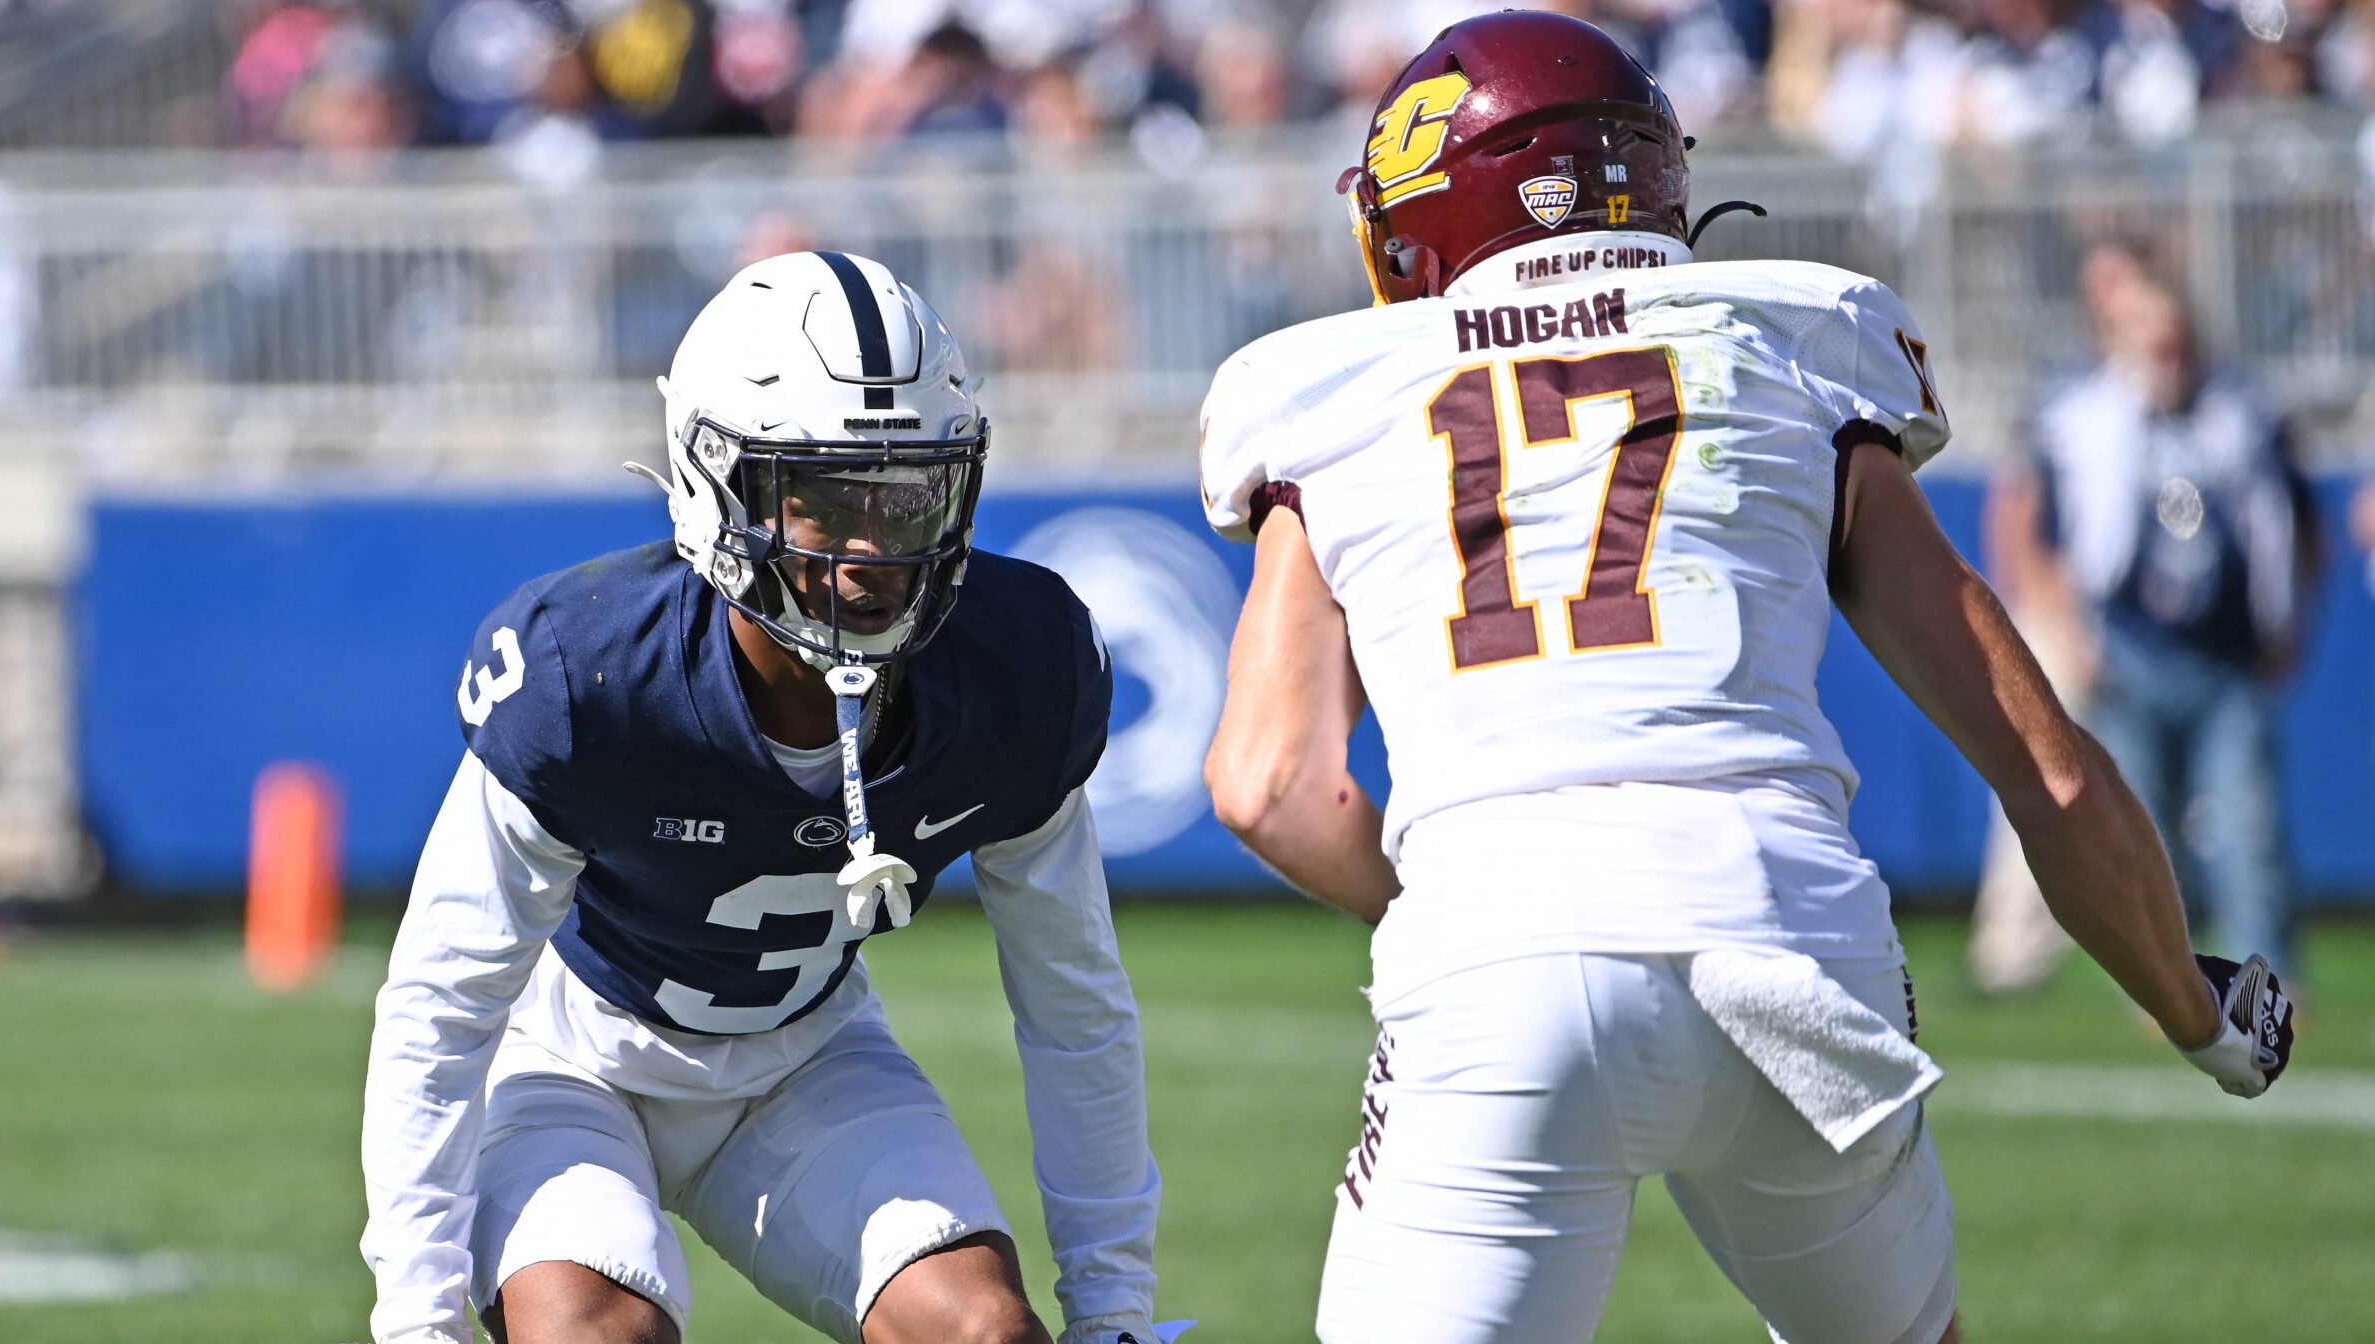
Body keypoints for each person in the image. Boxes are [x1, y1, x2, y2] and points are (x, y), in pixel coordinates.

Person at [1196, 15, 2296, 1344]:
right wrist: (2196, 1011)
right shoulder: (1792, 342)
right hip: (1790, 941)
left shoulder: (1335, 395)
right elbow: (2044, 766)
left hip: (1500, 957)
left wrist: (1460, 918)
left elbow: (1266, 786)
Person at [362, 250, 1162, 1344]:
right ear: (716, 487)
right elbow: (442, 999)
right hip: (568, 1063)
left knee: (983, 1336)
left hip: (807, 1058)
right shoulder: (588, 672)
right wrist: (416, 1318)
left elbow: (1075, 1004)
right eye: (827, 499)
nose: (877, 549)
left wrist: (1114, 1308)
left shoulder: (1020, 667)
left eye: (908, 489)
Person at [1983, 243, 2315, 991]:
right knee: (2144, 830)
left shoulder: (2243, 414)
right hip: (2129, 650)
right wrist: (2066, 630)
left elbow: (2294, 529)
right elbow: (2042, 531)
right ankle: (2171, 982)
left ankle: (2273, 977)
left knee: (2244, 824)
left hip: (2224, 656)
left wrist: (2289, 622)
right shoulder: (2087, 419)